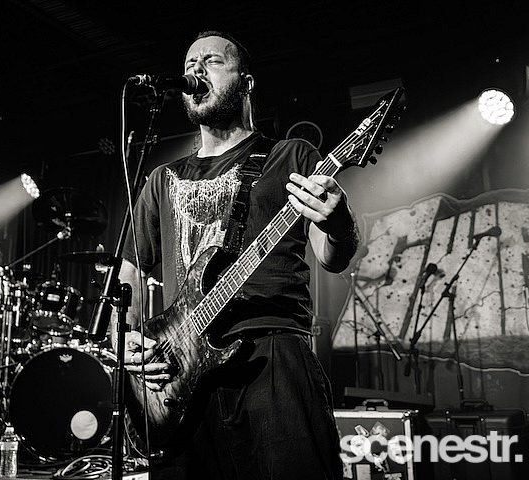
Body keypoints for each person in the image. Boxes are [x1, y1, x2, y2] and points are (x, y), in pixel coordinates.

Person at [115, 30, 359, 479]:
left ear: (245, 83)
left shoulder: (290, 156)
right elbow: (128, 271)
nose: (196, 70)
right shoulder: (161, 178)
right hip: (179, 373)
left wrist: (339, 221)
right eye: (189, 65)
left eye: (211, 61)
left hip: (271, 357)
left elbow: (331, 256)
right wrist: (127, 341)